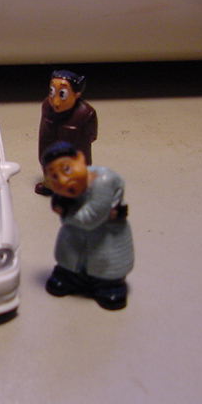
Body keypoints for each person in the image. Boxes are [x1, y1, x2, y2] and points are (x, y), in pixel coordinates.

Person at [41, 141, 133, 310]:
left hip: (106, 236)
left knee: (106, 265)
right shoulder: (68, 190)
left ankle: (108, 285)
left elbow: (89, 219)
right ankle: (70, 275)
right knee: (70, 259)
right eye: (54, 176)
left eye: (66, 169)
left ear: (80, 159)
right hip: (75, 237)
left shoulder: (104, 182)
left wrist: (65, 213)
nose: (62, 180)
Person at [36, 69, 97, 195]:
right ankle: (51, 185)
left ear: (76, 94)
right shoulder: (46, 106)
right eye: (52, 91)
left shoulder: (86, 113)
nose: (55, 101)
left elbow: (91, 135)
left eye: (62, 94)